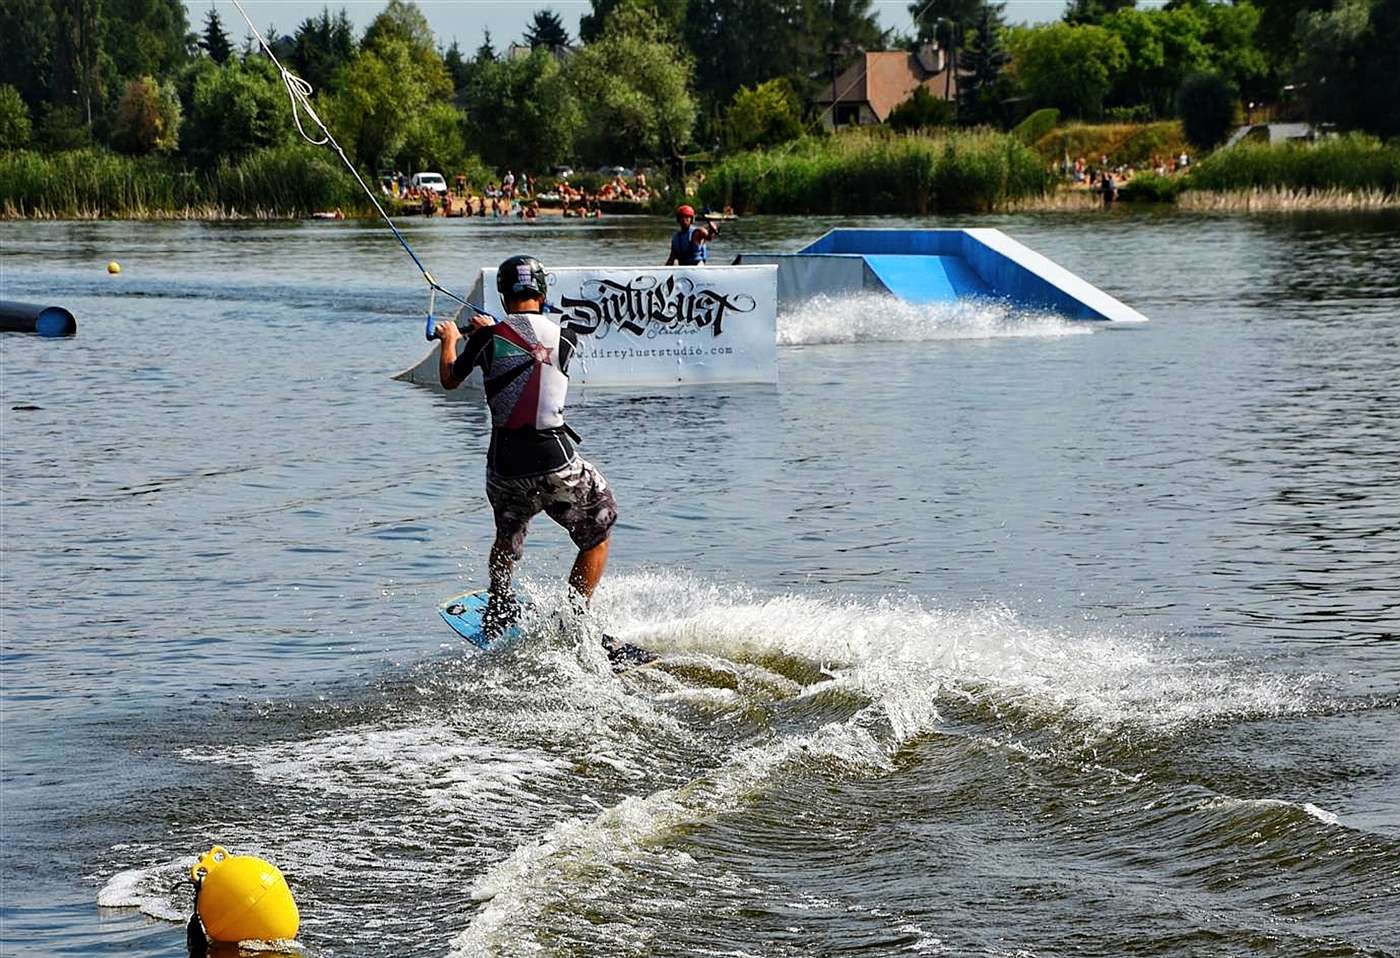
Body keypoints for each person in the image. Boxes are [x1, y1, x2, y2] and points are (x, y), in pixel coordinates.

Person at [432, 255, 619, 636]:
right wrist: (492, 330)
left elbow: (450, 379)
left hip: (505, 468)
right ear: (542, 291)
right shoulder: (567, 337)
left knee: (507, 534)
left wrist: (451, 339)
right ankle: (574, 619)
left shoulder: (485, 339)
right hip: (557, 464)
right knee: (597, 533)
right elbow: (533, 345)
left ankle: (499, 604)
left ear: (503, 294)